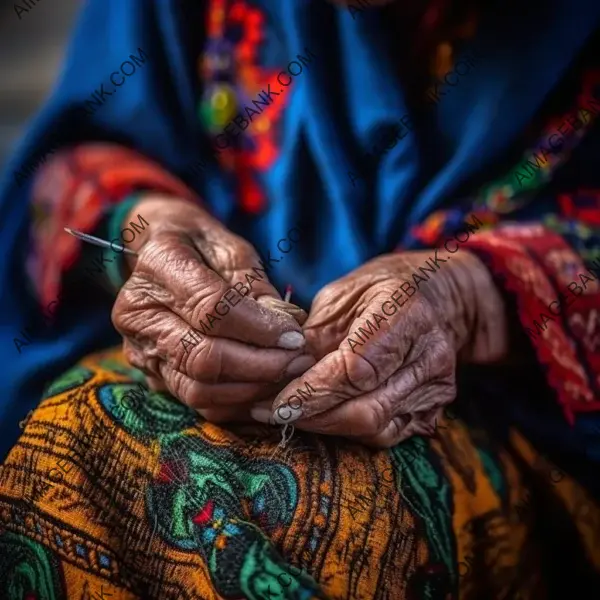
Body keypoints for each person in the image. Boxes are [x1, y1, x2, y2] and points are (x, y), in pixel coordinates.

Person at [0, 0, 599, 597]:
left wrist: (476, 296)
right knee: (83, 449)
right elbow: (63, 173)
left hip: (530, 440)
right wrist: (144, 233)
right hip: (179, 388)